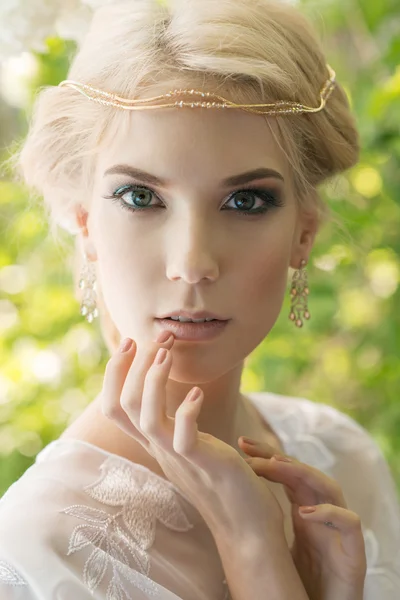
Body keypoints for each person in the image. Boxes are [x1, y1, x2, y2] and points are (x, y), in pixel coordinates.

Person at [0, 0, 399, 598]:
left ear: (303, 234)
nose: (192, 263)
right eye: (140, 197)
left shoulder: (343, 460)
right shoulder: (39, 549)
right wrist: (254, 550)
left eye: (246, 202)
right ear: (86, 227)